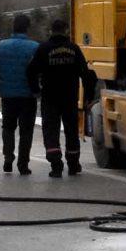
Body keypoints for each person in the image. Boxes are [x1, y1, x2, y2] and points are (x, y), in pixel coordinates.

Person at [27, 17, 98, 177]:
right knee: (71, 131)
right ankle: (73, 165)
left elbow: (31, 71)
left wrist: (35, 90)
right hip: (69, 97)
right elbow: (87, 75)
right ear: (66, 31)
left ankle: (56, 165)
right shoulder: (74, 49)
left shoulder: (43, 49)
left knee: (51, 130)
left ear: (51, 31)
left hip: (50, 97)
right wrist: (89, 96)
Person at [0, 15, 40, 174]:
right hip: (28, 96)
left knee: (8, 128)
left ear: (13, 27)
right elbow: (39, 70)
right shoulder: (34, 47)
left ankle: (8, 158)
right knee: (26, 131)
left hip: (8, 95)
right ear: (27, 28)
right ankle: (23, 164)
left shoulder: (2, 46)